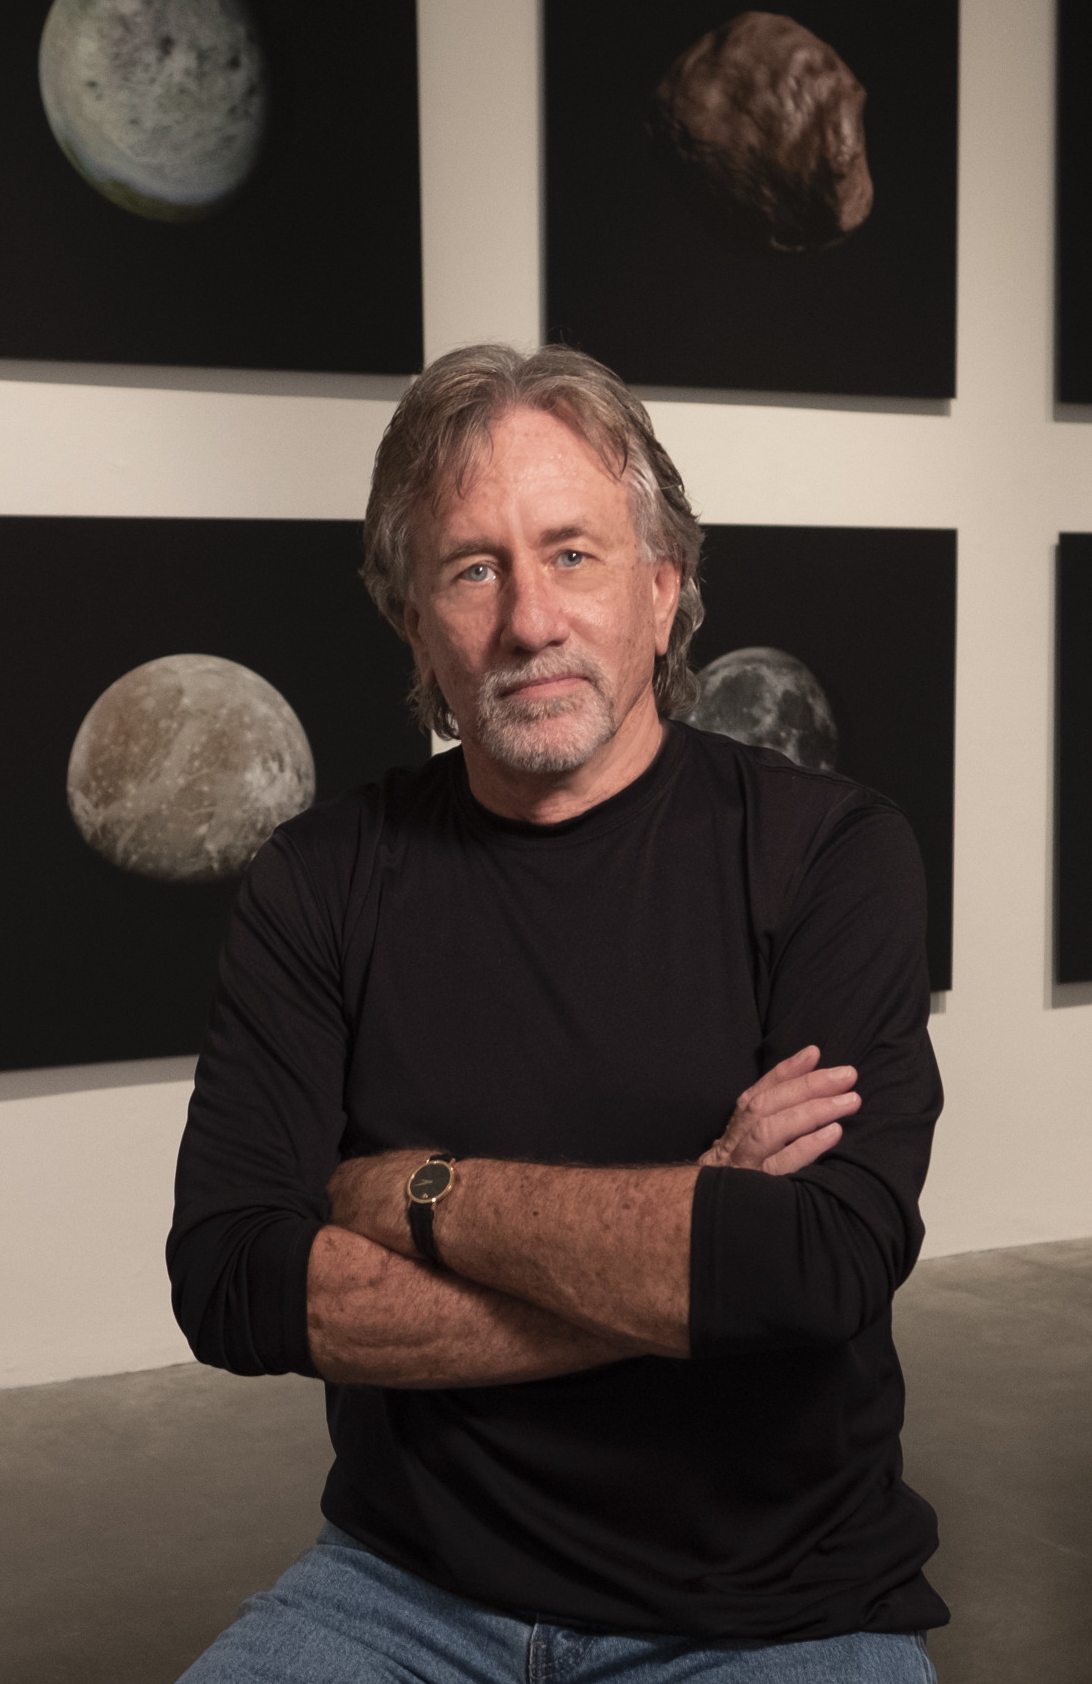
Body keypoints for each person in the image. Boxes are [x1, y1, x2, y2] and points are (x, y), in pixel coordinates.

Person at [166, 343, 945, 1681]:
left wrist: (419, 1192)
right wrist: (695, 1218)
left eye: (573, 553)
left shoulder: (830, 855)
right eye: (473, 567)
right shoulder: (322, 880)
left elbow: (819, 1261)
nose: (528, 619)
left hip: (771, 1609)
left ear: (663, 587)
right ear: (416, 622)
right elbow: (233, 1277)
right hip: (407, 1589)